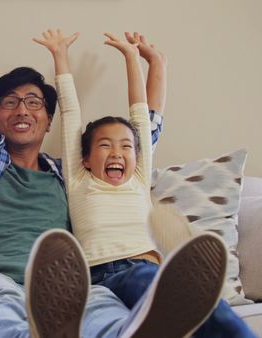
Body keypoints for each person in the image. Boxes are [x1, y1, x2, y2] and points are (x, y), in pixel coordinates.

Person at [0, 0, 193, 337]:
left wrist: (156, 65)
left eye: (34, 103)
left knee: (103, 306)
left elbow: (142, 137)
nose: (22, 110)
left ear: (48, 122)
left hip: (65, 283)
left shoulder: (72, 176)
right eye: (9, 102)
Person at [37, 26, 256, 338]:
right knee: (108, 316)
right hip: (95, 279)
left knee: (190, 296)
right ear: (85, 158)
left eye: (126, 146)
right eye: (104, 145)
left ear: (137, 155)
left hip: (144, 267)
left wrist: (131, 57)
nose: (117, 152)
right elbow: (71, 112)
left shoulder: (138, 178)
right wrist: (60, 55)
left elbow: (141, 114)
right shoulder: (79, 180)